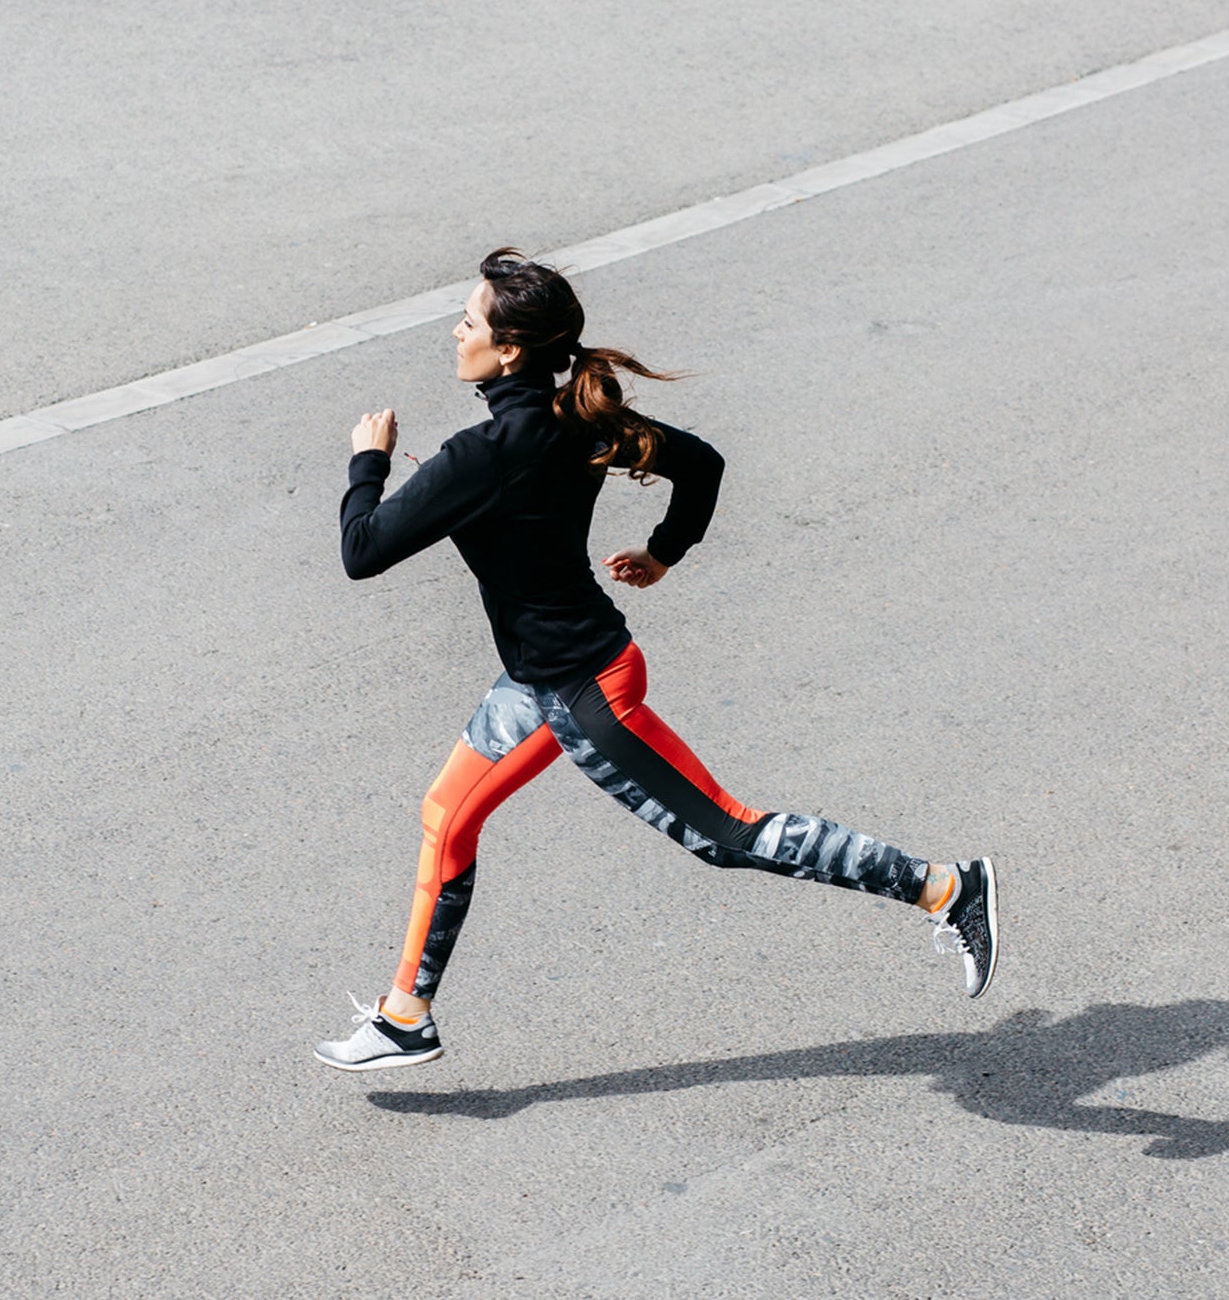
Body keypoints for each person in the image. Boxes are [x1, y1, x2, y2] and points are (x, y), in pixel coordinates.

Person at [314, 249, 996, 1072]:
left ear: (508, 352)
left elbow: (361, 551)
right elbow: (701, 464)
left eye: (468, 321)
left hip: (586, 690)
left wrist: (368, 460)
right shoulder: (578, 420)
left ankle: (947, 887)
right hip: (539, 679)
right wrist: (667, 552)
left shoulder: (484, 454)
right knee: (446, 817)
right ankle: (404, 1016)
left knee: (726, 835)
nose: (454, 331)